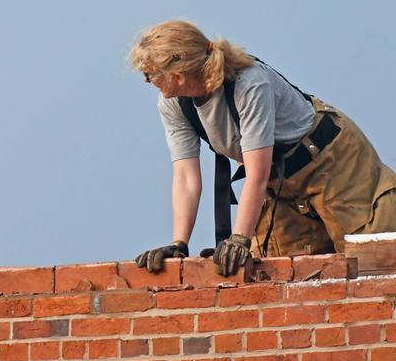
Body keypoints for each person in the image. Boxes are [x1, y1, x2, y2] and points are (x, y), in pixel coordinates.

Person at [130, 19, 396, 276]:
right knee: (286, 271)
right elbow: (186, 178)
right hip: (278, 179)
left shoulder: (248, 83)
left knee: (373, 259)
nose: (146, 81)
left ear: (178, 74)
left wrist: (238, 239)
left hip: (330, 161)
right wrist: (180, 245)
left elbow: (256, 174)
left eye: (150, 73)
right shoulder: (174, 103)